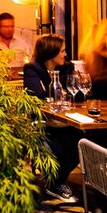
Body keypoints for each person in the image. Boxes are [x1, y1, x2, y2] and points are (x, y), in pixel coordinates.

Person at [24, 34, 80, 202]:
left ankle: (56, 182)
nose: (65, 55)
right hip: (42, 122)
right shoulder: (32, 69)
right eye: (62, 51)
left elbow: (77, 93)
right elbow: (37, 95)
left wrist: (61, 95)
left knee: (82, 141)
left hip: (65, 121)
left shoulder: (66, 68)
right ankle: (55, 184)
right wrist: (61, 94)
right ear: (51, 52)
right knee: (54, 144)